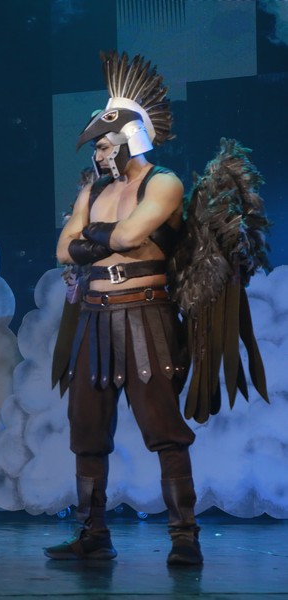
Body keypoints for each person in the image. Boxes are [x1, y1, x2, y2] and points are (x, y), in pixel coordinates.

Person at [46, 52, 201, 566]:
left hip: (145, 316)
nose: (99, 152)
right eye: (97, 145)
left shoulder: (164, 182)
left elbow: (132, 236)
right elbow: (62, 250)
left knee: (164, 428)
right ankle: (92, 533)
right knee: (87, 430)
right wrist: (99, 238)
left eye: (105, 143)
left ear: (131, 137)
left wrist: (89, 237)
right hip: (94, 317)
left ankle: (184, 536)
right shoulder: (92, 190)